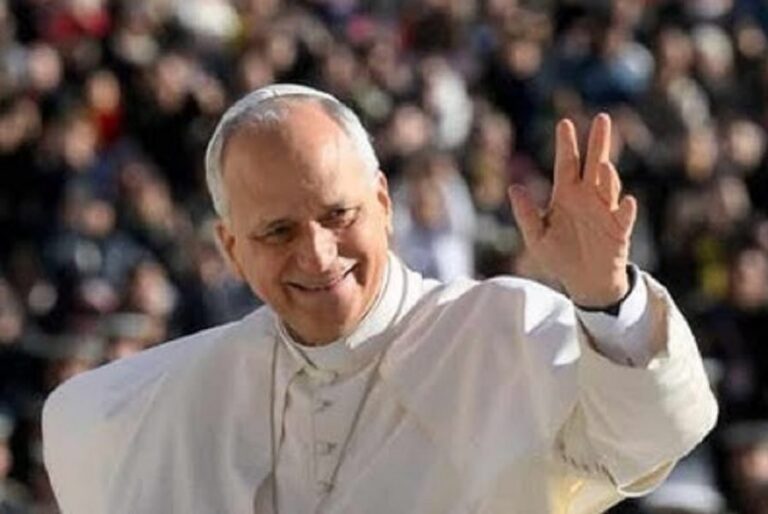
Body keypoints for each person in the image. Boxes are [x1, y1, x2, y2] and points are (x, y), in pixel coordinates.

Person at [41, 84, 717, 514]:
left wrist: (605, 298)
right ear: (231, 248)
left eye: (339, 215)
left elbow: (652, 435)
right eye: (277, 232)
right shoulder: (164, 400)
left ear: (385, 203)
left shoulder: (503, 330)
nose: (317, 255)